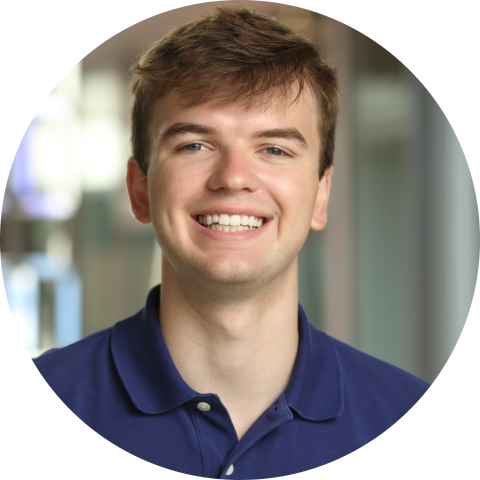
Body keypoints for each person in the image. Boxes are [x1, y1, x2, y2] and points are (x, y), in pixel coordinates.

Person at [34, 6, 429, 478]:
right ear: (140, 190)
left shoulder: (415, 423)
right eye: (195, 145)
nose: (234, 178)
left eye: (274, 149)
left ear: (321, 196)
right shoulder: (30, 410)